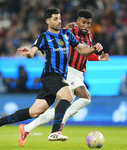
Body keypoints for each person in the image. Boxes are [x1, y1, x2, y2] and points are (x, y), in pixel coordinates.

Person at [0, 7, 103, 145]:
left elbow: (82, 50)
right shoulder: (43, 37)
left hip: (60, 77)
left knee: (34, 112)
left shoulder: (66, 34)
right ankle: (55, 132)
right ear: (48, 21)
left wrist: (94, 49)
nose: (59, 21)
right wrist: (28, 52)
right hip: (50, 75)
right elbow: (32, 52)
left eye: (59, 18)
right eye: (55, 18)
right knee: (67, 96)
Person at [18, 9, 109, 146]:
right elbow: (57, 31)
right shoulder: (69, 31)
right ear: (78, 21)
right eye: (83, 22)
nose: (85, 25)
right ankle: (61, 122)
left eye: (88, 23)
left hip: (79, 74)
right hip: (69, 71)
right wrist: (67, 26)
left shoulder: (89, 36)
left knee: (56, 110)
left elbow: (86, 54)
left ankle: (26, 128)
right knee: (85, 98)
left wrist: (99, 58)